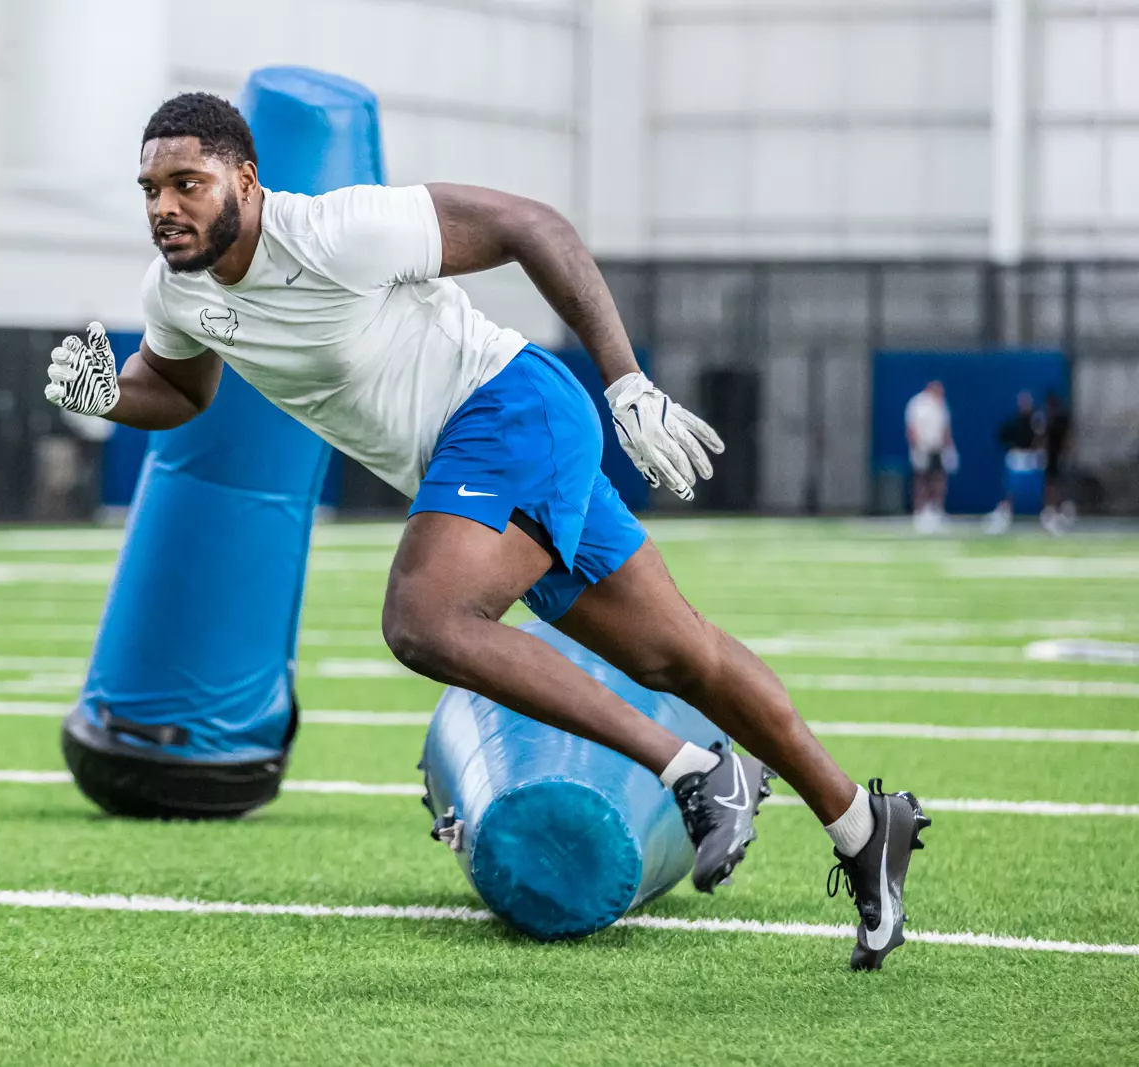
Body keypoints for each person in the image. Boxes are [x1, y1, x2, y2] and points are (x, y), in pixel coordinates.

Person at [45, 93, 929, 970]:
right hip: (481, 464)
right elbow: (180, 389)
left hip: (511, 408)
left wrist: (626, 383)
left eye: (187, 183)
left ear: (246, 176)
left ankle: (695, 770)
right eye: (151, 188)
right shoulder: (177, 292)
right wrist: (108, 398)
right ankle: (860, 822)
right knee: (677, 655)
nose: (165, 207)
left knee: (425, 620)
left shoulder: (339, 230)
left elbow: (530, 225)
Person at [983, 391, 1046, 535]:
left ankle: (1047, 513)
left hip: (1032, 458)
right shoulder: (1013, 421)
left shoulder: (1037, 420)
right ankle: (1005, 511)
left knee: (1040, 486)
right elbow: (1003, 436)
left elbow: (1041, 438)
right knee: (1012, 487)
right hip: (1017, 457)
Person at [904, 381, 956, 534]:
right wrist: (916, 447)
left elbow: (945, 428)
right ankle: (920, 512)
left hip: (937, 447)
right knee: (922, 480)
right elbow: (912, 427)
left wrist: (950, 448)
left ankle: (936, 510)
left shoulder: (941, 404)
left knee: (938, 479)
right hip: (923, 447)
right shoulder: (917, 404)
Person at [1041, 391, 1074, 535]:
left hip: (1058, 455)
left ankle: (1061, 511)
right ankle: (1052, 511)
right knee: (1052, 483)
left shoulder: (1059, 418)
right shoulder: (1048, 418)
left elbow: (1067, 438)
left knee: (1058, 484)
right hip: (1052, 455)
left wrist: (1066, 451)